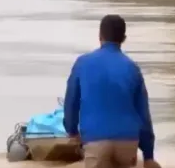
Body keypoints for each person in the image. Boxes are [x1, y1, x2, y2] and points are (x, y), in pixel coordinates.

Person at [63, 14, 160, 168]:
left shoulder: (82, 63)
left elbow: (71, 103)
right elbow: (144, 115)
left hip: (95, 141)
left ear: (99, 36)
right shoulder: (132, 68)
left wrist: (72, 131)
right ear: (124, 38)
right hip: (127, 142)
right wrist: (148, 156)